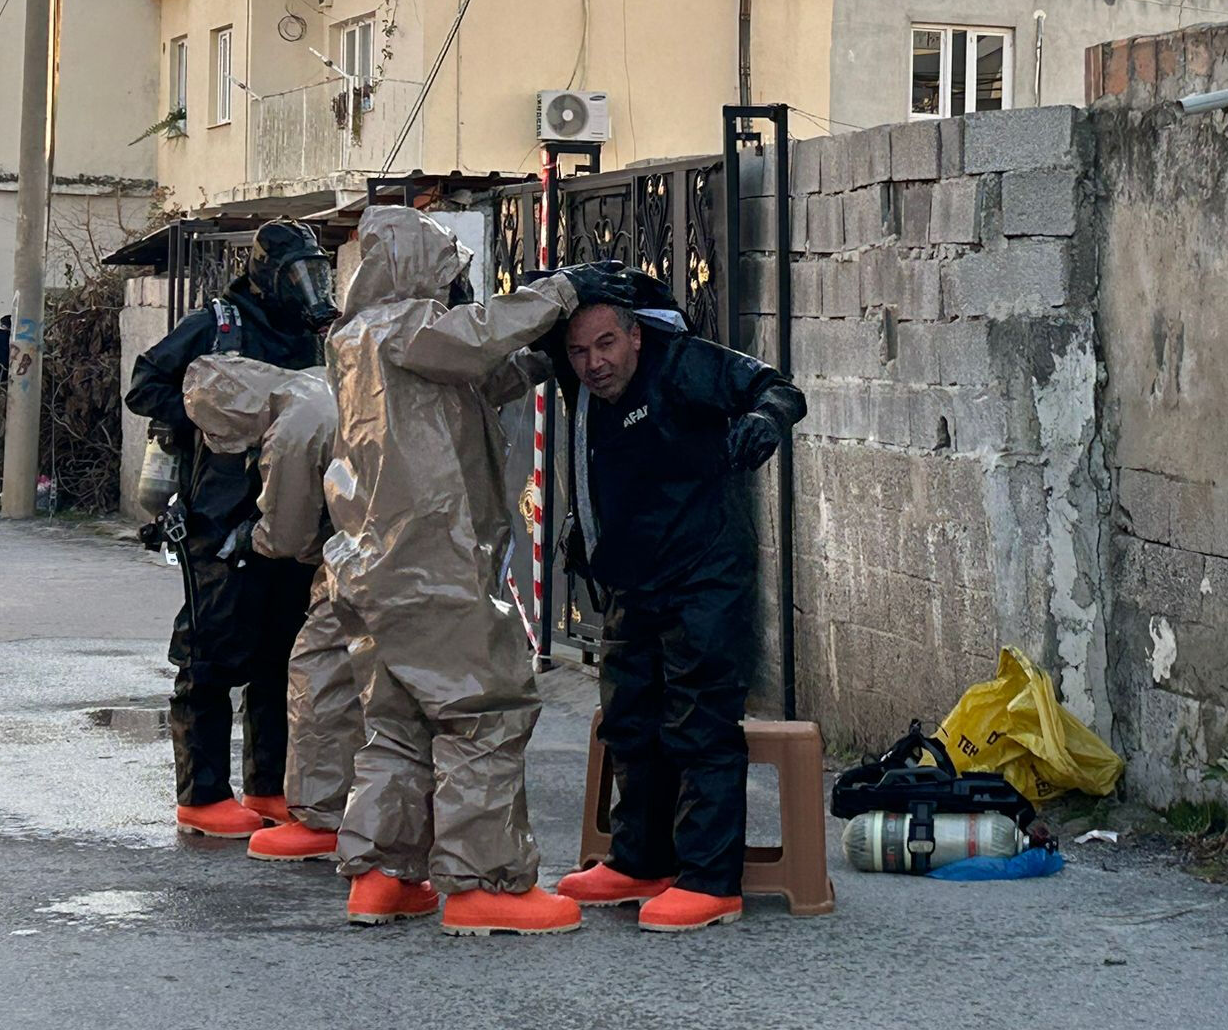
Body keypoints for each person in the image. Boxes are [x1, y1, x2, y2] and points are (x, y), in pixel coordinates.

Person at [323, 205, 591, 934]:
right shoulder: (406, 327)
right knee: (485, 712)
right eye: (450, 275)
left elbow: (464, 385)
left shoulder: (356, 339)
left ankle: (381, 877)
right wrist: (558, 294)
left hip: (373, 568)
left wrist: (534, 359)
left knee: (398, 724)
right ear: (419, 272)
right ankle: (487, 887)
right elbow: (472, 342)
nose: (458, 289)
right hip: (432, 566)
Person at [549, 264, 806, 932]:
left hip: (704, 569)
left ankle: (709, 880)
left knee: (700, 719)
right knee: (631, 717)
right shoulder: (573, 379)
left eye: (606, 344)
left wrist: (764, 422)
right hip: (634, 575)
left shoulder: (683, 363)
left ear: (635, 337)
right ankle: (640, 860)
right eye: (579, 351)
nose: (593, 363)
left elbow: (777, 387)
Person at [125, 221, 337, 840]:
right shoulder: (221, 323)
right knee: (210, 654)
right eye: (296, 273)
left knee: (283, 655)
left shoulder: (313, 335)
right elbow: (147, 384)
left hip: (288, 516)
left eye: (315, 272)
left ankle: (268, 787)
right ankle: (202, 794)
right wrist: (208, 419)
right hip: (218, 516)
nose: (308, 287)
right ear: (265, 272)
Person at [177, 355, 364, 867]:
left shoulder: (290, 430)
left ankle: (320, 819)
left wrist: (250, 536)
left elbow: (287, 532)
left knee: (315, 670)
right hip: (411, 538)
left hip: (360, 552)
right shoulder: (312, 383)